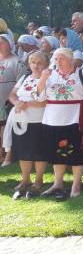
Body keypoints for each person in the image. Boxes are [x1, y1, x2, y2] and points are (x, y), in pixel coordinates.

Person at [35, 48, 83, 201]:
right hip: (52, 118)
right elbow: (39, 97)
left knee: (76, 150)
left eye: (61, 58)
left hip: (75, 117)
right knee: (56, 150)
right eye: (56, 59)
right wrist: (43, 78)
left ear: (70, 59)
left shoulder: (81, 73)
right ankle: (57, 183)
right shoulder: (50, 73)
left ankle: (76, 184)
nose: (57, 62)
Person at [7, 52, 49, 199]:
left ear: (45, 65)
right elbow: (12, 95)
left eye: (39, 63)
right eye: (33, 62)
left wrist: (28, 104)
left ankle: (38, 180)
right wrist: (17, 102)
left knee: (39, 151)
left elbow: (47, 101)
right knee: (23, 151)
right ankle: (25, 179)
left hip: (39, 120)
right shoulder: (24, 78)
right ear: (29, 64)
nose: (36, 66)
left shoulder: (47, 79)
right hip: (21, 121)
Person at [0, 34, 24, 166]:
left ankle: (6, 155)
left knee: (5, 127)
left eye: (2, 43)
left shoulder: (17, 61)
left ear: (9, 44)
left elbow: (21, 81)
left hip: (8, 100)